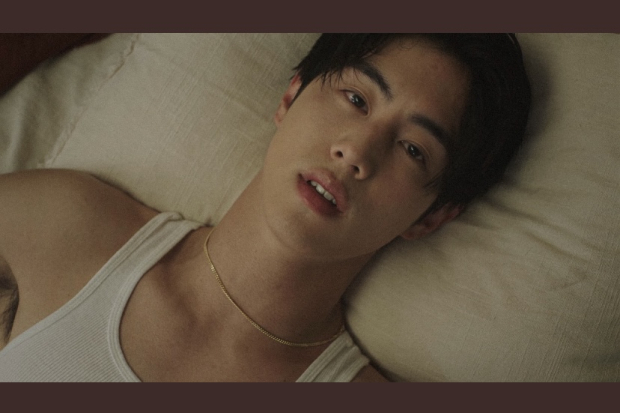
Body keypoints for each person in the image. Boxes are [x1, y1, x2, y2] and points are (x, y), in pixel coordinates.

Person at [0, 34, 531, 382]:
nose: (355, 152)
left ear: (432, 217)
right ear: (291, 96)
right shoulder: (65, 224)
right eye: (356, 99)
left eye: (413, 149)